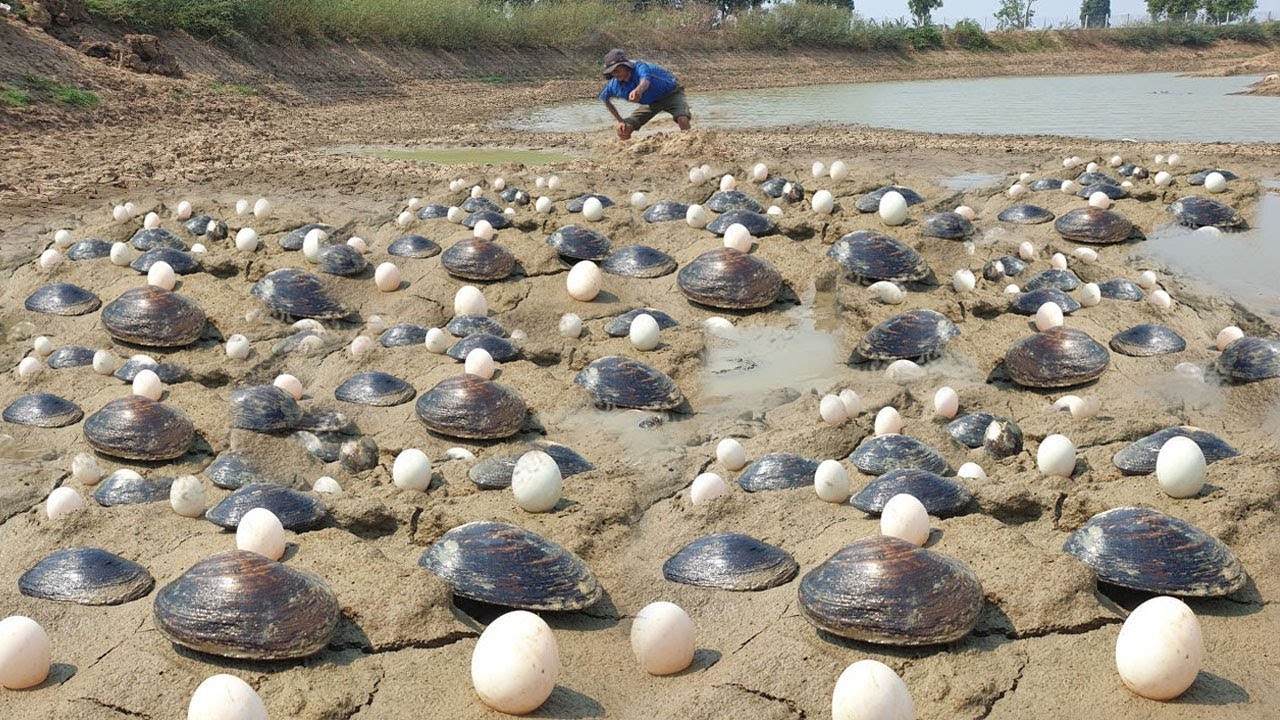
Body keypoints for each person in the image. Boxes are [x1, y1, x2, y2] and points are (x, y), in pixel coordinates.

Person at [598, 49, 691, 141]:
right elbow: (605, 99)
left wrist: (638, 91)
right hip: (650, 103)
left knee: (682, 119)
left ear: (626, 66)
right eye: (613, 72)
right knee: (623, 130)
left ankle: (688, 141)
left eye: (618, 70)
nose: (616, 74)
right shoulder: (614, 85)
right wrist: (620, 121)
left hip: (671, 94)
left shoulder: (640, 67)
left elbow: (645, 82)